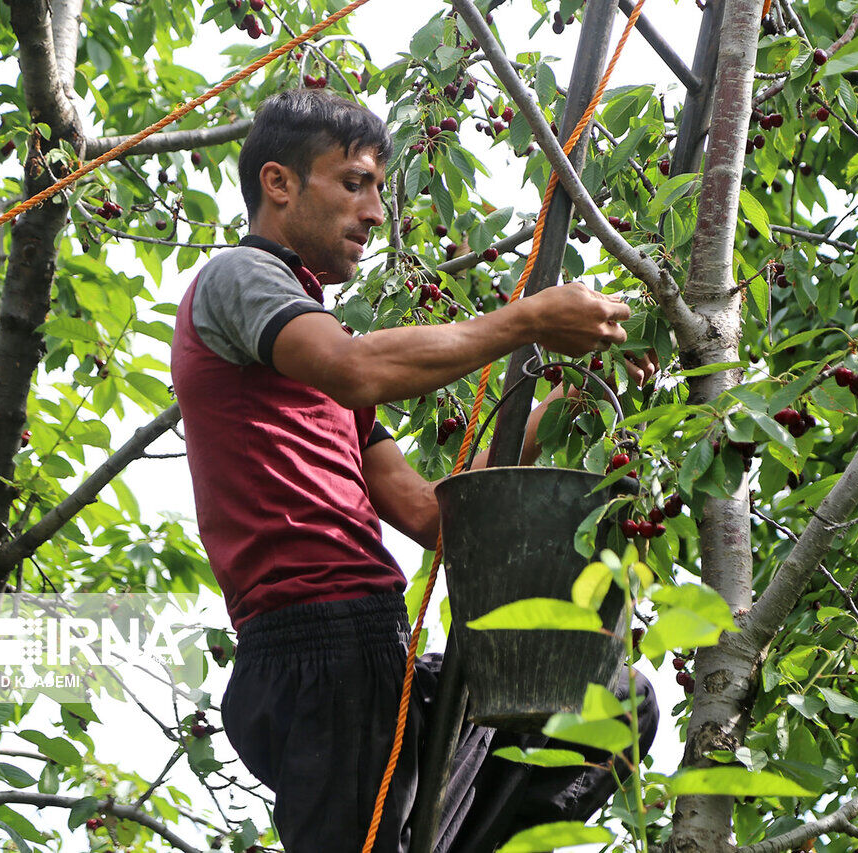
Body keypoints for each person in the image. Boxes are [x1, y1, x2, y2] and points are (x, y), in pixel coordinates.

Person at [169, 87, 657, 853]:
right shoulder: (240, 278)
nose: (373, 213)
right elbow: (357, 368)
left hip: (373, 643)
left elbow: (428, 514)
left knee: (614, 705)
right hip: (318, 648)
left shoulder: (319, 350)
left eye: (378, 190)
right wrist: (526, 320)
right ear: (279, 183)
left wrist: (560, 402)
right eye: (354, 183)